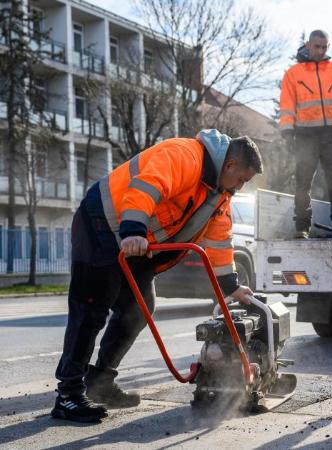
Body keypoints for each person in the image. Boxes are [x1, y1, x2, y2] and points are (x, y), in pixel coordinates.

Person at [51, 130, 262, 422]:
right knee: (91, 309)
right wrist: (133, 231)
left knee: (137, 310)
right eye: (242, 179)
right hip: (102, 222)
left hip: (136, 243)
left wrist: (232, 287)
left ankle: (99, 383)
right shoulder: (185, 155)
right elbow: (148, 186)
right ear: (229, 166)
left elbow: (219, 243)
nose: (240, 186)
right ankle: (69, 395)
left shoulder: (219, 196)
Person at [278, 29, 332, 239]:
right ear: (308, 45)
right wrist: (287, 133)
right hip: (305, 136)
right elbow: (287, 105)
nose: (320, 50)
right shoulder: (293, 74)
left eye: (324, 47)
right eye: (317, 46)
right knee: (303, 182)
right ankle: (302, 228)